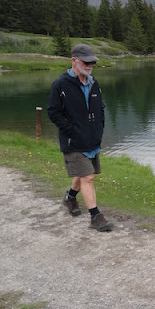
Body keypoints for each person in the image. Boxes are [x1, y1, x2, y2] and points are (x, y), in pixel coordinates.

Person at [47, 44, 113, 232]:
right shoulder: (61, 84)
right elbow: (53, 112)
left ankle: (70, 199)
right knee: (88, 176)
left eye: (92, 62)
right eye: (86, 62)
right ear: (74, 60)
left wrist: (99, 127)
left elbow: (100, 108)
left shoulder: (93, 83)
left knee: (83, 173)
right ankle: (95, 217)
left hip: (91, 139)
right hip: (73, 141)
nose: (90, 65)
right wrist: (71, 130)